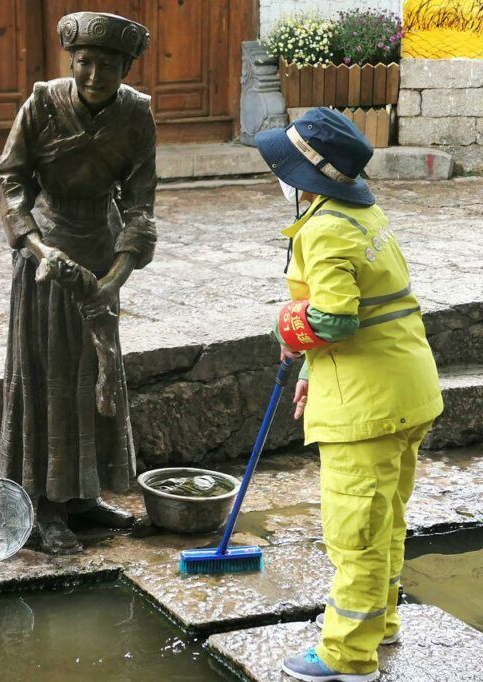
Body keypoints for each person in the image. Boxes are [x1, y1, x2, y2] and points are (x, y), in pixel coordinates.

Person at [255, 108, 443, 682]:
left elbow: (335, 319)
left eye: (281, 168)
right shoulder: (362, 213)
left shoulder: (325, 228)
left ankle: (346, 656)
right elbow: (374, 303)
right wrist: (312, 368)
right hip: (408, 390)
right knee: (384, 519)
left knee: (353, 531)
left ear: (305, 177)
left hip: (366, 407)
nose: (277, 177)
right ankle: (380, 624)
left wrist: (287, 326)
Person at [0, 12, 156, 554]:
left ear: (125, 67)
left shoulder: (136, 114)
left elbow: (140, 204)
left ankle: (84, 495)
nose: (93, 75)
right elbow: (11, 180)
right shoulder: (41, 105)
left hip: (101, 254)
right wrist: (40, 249)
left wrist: (115, 277)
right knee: (50, 373)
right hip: (47, 257)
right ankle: (43, 505)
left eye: (107, 65)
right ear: (70, 61)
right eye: (84, 62)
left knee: (97, 372)